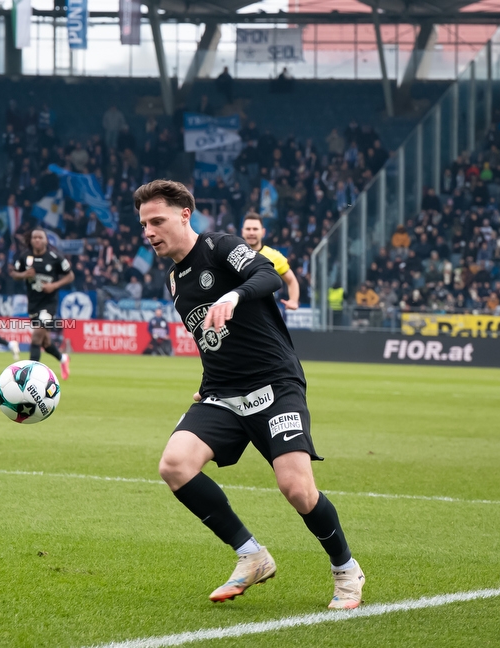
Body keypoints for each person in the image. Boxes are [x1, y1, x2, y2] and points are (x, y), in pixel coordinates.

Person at [135, 179, 364, 609]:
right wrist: (206, 388)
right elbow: (212, 342)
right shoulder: (174, 280)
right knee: (175, 465)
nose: (149, 231)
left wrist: (234, 296)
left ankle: (346, 569)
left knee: (296, 487)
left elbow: (267, 275)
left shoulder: (221, 246)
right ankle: (251, 555)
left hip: (275, 384)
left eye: (157, 221)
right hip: (223, 393)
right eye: (144, 223)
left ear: (186, 214)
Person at [10, 229, 74, 380]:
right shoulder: (25, 256)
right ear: (31, 240)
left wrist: (54, 285)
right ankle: (63, 359)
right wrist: (23, 275)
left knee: (36, 337)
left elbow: (70, 275)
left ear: (46, 240)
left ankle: (30, 376)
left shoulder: (54, 257)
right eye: (34, 237)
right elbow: (14, 273)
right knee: (45, 343)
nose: (37, 240)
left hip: (49, 303)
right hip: (33, 303)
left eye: (40, 237)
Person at [241, 213, 301, 310]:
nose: (251, 233)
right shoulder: (231, 254)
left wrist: (293, 300)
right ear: (242, 231)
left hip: (263, 316)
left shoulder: (275, 257)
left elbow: (291, 280)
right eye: (248, 229)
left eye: (255, 229)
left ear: (263, 232)